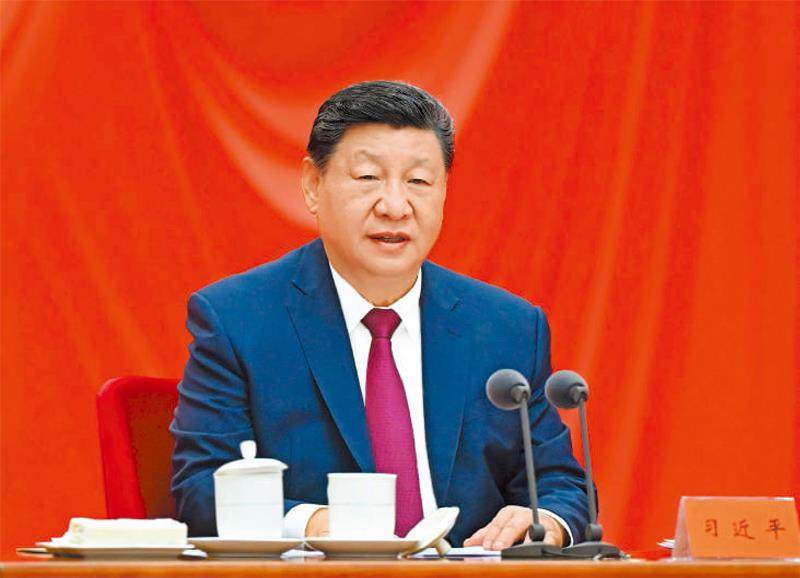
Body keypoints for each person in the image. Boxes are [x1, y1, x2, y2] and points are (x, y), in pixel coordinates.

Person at [170, 80, 589, 550]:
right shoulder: (238, 320)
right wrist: (315, 525)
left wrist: (546, 521)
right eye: (368, 177)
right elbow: (202, 487)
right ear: (312, 185)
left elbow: (560, 485)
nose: (394, 206)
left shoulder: (507, 328)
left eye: (418, 182)